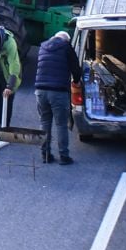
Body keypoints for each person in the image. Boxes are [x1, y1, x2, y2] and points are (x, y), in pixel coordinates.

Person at [34, 28, 80, 165]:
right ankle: (64, 156)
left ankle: (46, 155)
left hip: (40, 90)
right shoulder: (66, 47)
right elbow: (76, 69)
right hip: (58, 92)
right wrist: (76, 80)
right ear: (66, 40)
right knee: (61, 124)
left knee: (45, 122)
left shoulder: (42, 47)